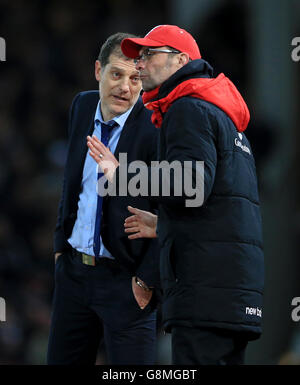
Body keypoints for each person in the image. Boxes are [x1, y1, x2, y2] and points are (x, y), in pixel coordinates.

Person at [88, 24, 264, 365]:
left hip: (204, 291)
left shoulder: (187, 108)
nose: (140, 65)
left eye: (150, 55)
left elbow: (190, 184)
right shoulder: (221, 115)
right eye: (139, 57)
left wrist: (121, 174)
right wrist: (164, 223)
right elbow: (217, 206)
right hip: (232, 290)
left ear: (181, 59)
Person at [47, 32, 160, 365]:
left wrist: (146, 280)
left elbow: (168, 209)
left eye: (135, 78)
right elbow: (72, 185)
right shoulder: (82, 105)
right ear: (98, 70)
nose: (125, 87)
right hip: (73, 275)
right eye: (116, 74)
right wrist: (59, 248)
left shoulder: (155, 126)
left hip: (126, 281)